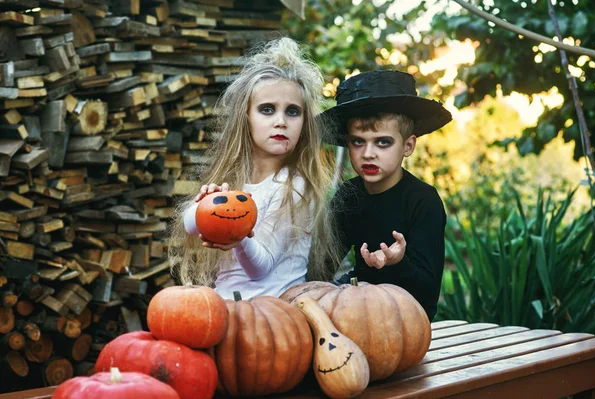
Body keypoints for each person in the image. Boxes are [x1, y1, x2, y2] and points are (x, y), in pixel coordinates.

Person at [168, 37, 340, 300]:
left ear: (304, 124)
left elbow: (259, 269)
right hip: (226, 307)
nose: (281, 121)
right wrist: (205, 206)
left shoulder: (293, 185)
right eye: (267, 110)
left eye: (292, 112)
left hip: (275, 316)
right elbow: (189, 225)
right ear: (246, 118)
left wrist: (239, 238)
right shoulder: (235, 180)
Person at [321, 70, 452, 320]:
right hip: (358, 307)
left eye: (382, 142)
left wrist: (397, 262)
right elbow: (322, 266)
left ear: (408, 146)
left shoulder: (423, 201)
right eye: (358, 142)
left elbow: (427, 296)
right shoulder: (348, 195)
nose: (368, 153)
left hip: (406, 316)